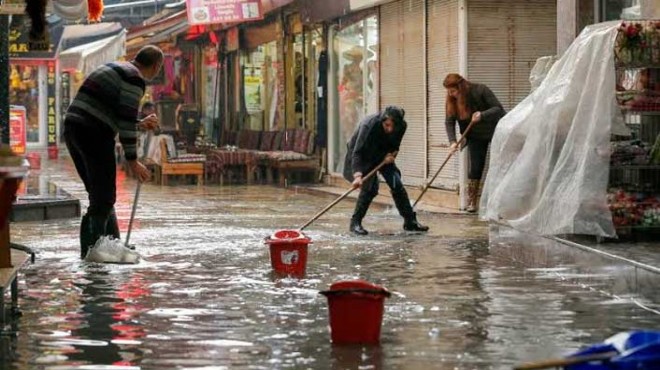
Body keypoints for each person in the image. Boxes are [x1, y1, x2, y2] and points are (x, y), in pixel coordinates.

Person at [64, 45, 163, 259]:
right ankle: (92, 253)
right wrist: (133, 161)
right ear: (156, 66)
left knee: (101, 195)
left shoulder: (118, 67)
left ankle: (112, 246)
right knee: (103, 198)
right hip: (92, 133)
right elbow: (125, 123)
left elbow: (117, 114)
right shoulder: (134, 79)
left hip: (74, 128)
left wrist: (139, 123)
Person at [343, 106, 429, 235]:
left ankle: (410, 221)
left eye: (394, 126)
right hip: (363, 156)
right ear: (383, 121)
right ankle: (355, 223)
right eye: (387, 125)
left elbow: (395, 146)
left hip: (384, 156)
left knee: (396, 183)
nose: (390, 129)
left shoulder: (402, 126)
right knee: (370, 188)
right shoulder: (369, 125)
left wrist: (392, 156)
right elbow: (357, 153)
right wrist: (358, 175)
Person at [443, 73, 505, 213]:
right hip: (475, 136)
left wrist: (481, 115)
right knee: (476, 168)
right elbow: (449, 121)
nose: (451, 94)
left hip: (495, 130)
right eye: (448, 91)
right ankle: (472, 202)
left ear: (461, 86)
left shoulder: (480, 90)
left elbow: (497, 108)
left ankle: (500, 201)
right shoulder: (452, 100)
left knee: (499, 165)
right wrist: (452, 141)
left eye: (453, 91)